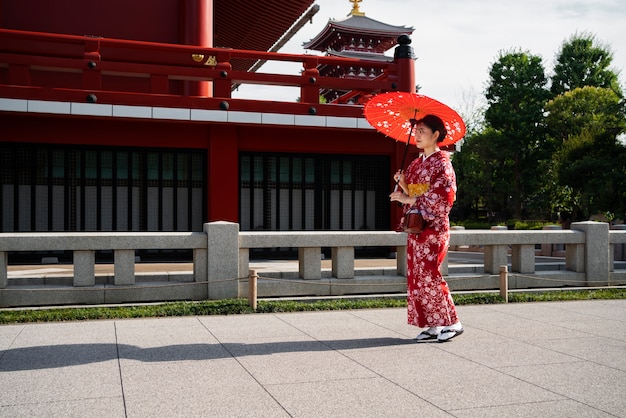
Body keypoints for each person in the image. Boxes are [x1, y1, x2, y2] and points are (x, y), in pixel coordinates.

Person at [389, 114, 463, 342]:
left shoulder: (443, 163)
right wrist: (402, 184)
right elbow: (413, 194)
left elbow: (444, 198)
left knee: (430, 274)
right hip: (417, 228)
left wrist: (408, 199)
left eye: (422, 131)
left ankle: (452, 321)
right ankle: (433, 324)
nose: (418, 135)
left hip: (434, 228)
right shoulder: (415, 163)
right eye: (417, 130)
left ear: (436, 135)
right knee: (417, 276)